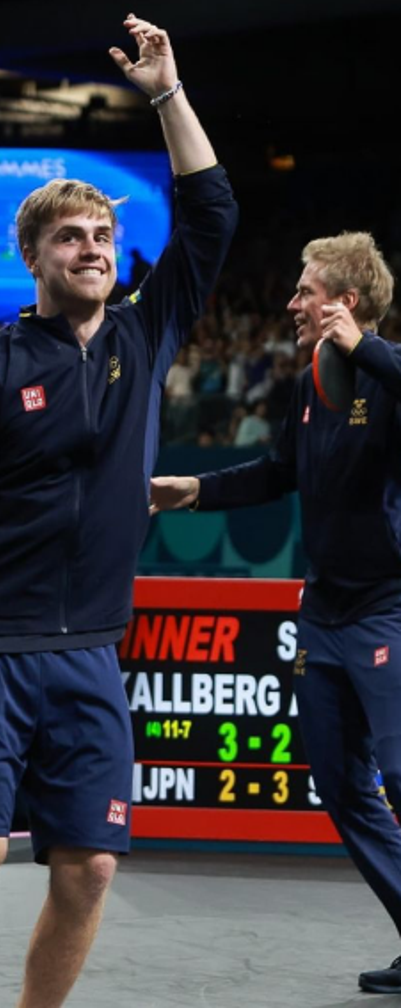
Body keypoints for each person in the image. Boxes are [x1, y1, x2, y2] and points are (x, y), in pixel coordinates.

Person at [0, 15, 237, 1008]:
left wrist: (167, 93)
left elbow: (210, 212)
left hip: (88, 650)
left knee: (91, 865)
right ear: (31, 256)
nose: (92, 249)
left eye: (103, 236)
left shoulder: (143, 337)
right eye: (70, 237)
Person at [151, 232, 401, 995]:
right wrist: (194, 491)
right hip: (323, 614)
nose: (291, 303)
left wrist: (366, 348)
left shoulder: (387, 374)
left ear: (345, 303)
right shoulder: (307, 386)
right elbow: (277, 472)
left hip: (388, 608)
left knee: (398, 771)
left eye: (305, 291)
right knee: (341, 784)